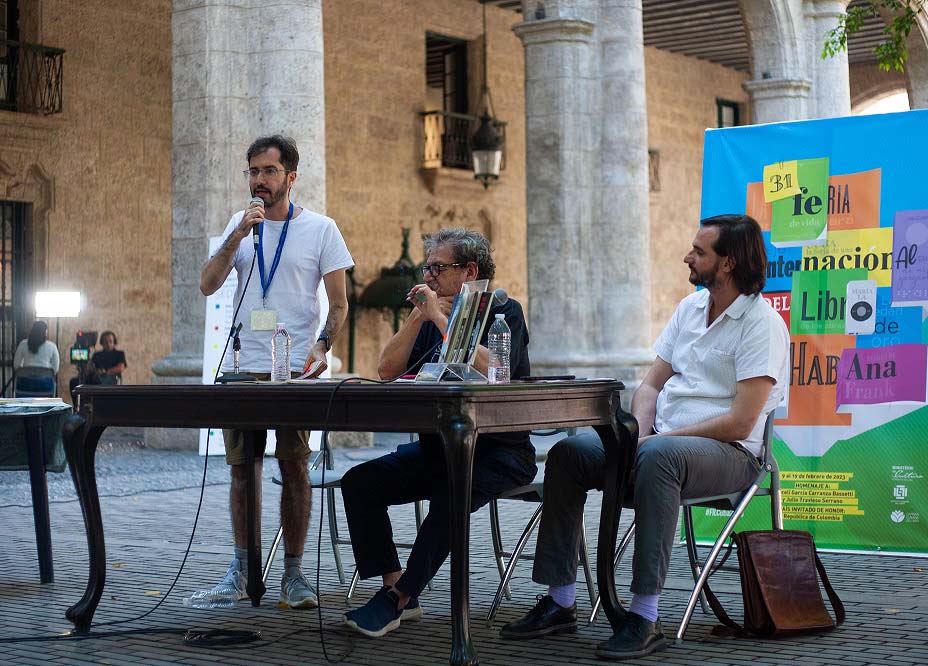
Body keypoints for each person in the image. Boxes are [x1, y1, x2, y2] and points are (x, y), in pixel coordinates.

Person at [500, 214, 790, 660]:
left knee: (661, 458)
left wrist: (657, 442)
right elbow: (651, 385)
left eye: (699, 251)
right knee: (569, 453)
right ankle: (560, 602)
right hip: (661, 443)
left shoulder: (761, 324)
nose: (687, 256)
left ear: (729, 262)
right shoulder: (690, 308)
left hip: (730, 454)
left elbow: (740, 422)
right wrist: (639, 432)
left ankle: (644, 616)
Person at [340, 228, 536, 637]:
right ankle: (394, 585)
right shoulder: (429, 316)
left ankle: (399, 598)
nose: (428, 277)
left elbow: (495, 369)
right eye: (426, 268)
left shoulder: (504, 312)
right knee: (360, 481)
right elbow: (387, 370)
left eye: (437, 268)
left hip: (499, 454)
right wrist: (418, 316)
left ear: (470, 271)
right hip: (440, 450)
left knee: (453, 490)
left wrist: (441, 318)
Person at [199, 135, 354, 609]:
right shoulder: (240, 225)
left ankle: (293, 574)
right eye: (253, 171)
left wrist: (323, 345)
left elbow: (340, 303)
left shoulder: (322, 229)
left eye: (268, 171)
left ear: (291, 176)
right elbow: (207, 284)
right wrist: (237, 236)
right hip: (243, 368)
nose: (259, 181)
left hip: (294, 371)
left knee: (294, 468)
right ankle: (241, 570)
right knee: (241, 470)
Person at [13, 320, 59, 394]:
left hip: (24, 385)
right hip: (45, 386)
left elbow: (16, 365)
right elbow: (55, 369)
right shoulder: (52, 346)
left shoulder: (23, 344)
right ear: (45, 332)